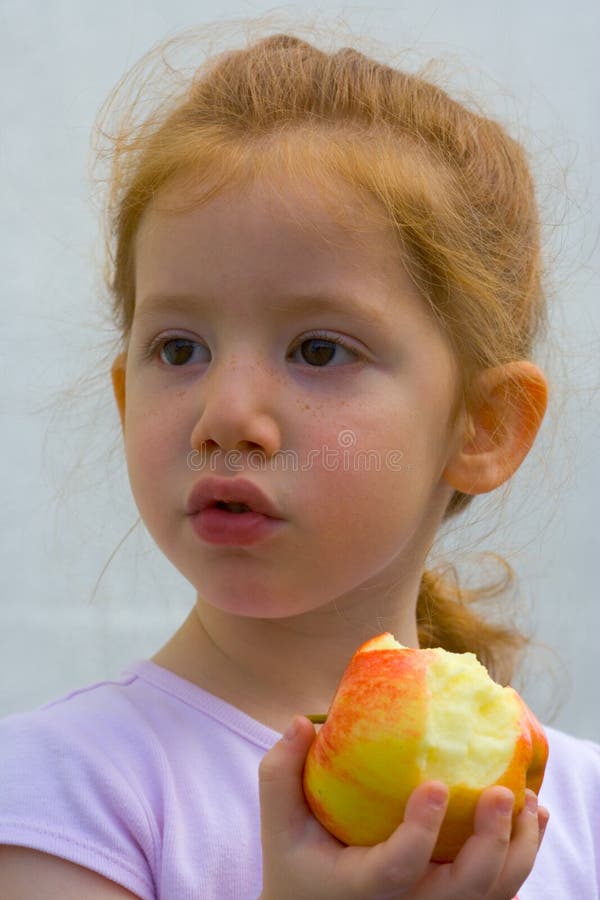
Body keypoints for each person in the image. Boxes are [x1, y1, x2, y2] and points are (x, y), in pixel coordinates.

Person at [1, 20, 599, 900]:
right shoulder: (66, 796)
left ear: (483, 425)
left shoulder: (579, 818)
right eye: (178, 349)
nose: (225, 416)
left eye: (319, 351)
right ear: (128, 399)